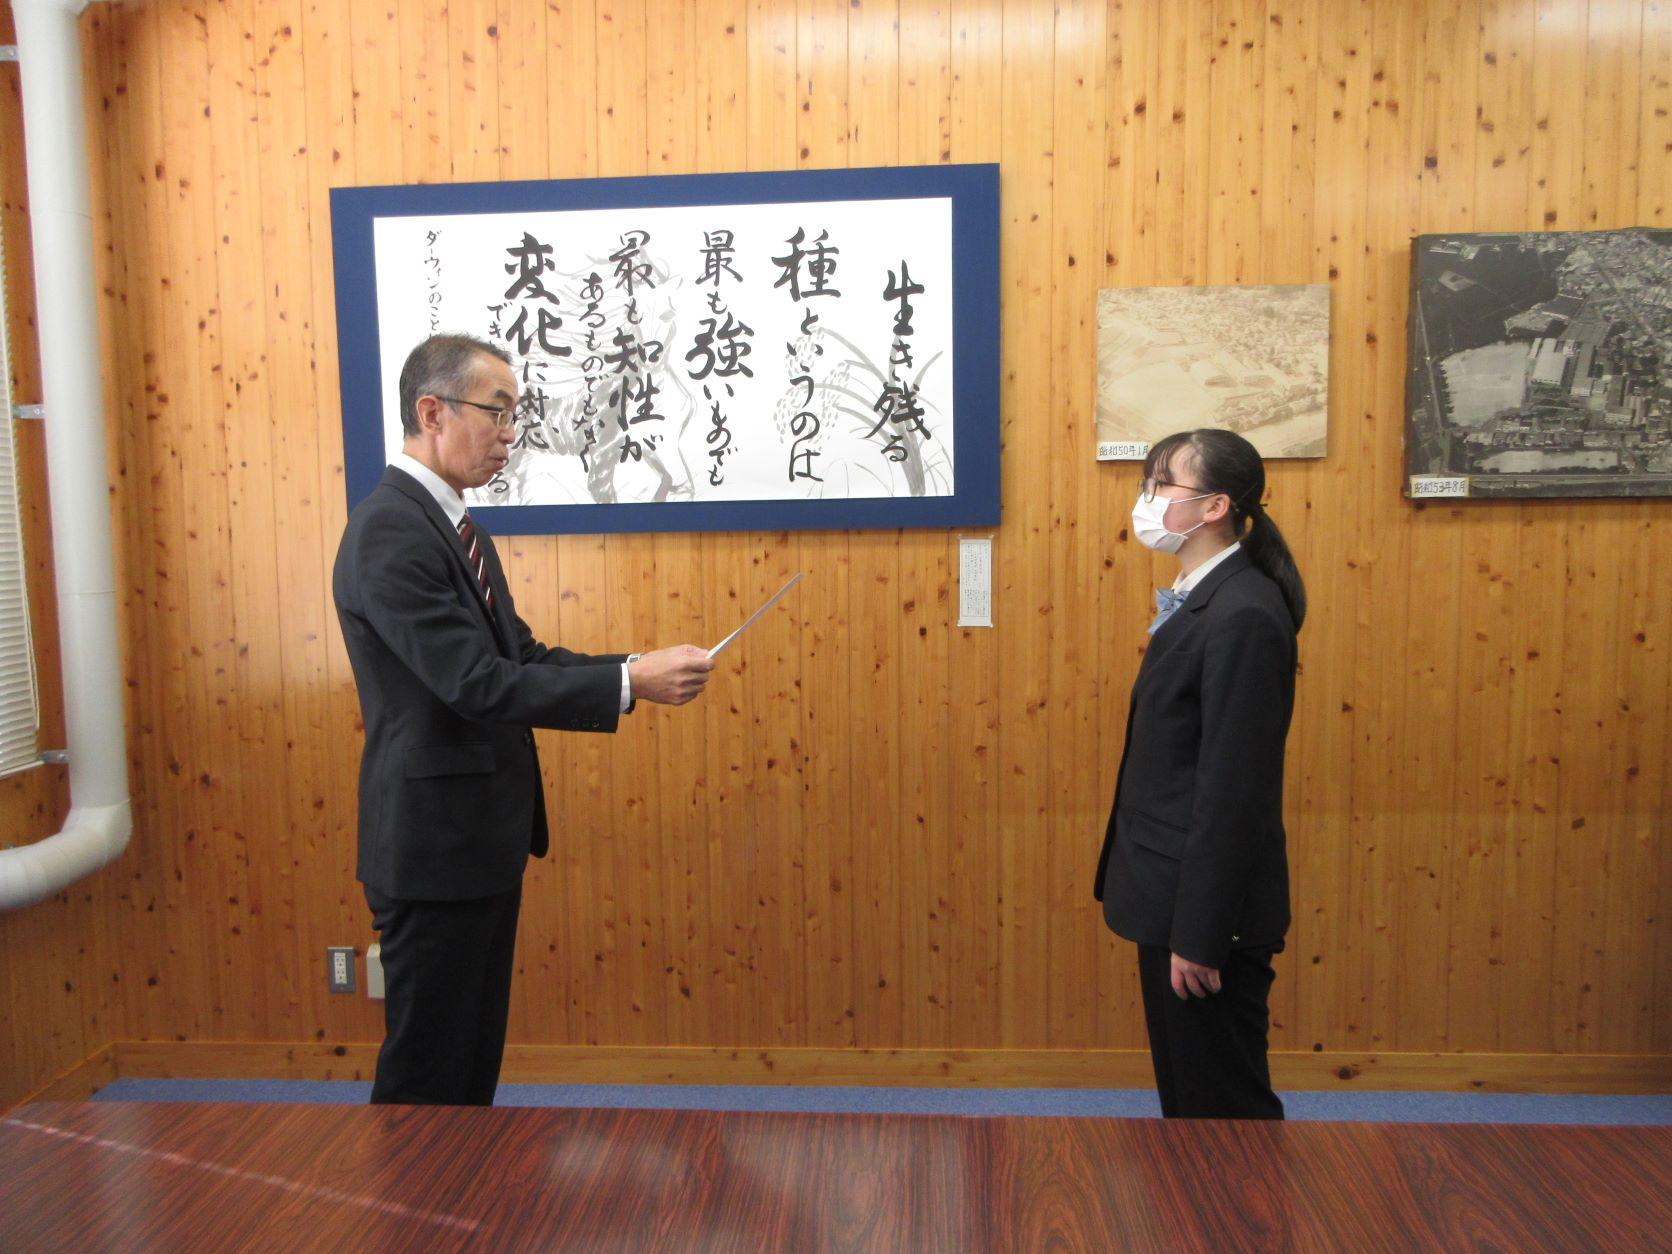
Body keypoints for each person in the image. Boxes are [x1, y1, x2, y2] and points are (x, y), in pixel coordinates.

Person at [333, 333, 714, 1106]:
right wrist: (628, 683)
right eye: (497, 412)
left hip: (476, 841)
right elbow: (474, 685)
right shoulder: (390, 530)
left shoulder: (455, 527)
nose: (511, 434)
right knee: (428, 1074)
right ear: (431, 412)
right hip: (434, 848)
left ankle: (457, 1185)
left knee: (470, 1059)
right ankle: (413, 1191)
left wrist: (633, 670)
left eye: (516, 415)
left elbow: (523, 656)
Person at [1092, 428, 1306, 1120]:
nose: (1146, 499)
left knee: (1223, 1112)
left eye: (1161, 485)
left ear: (1215, 507)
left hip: (1204, 917)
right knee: (1189, 1107)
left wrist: (1201, 934)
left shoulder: (1244, 612)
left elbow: (1233, 793)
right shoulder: (1203, 595)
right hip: (1171, 892)